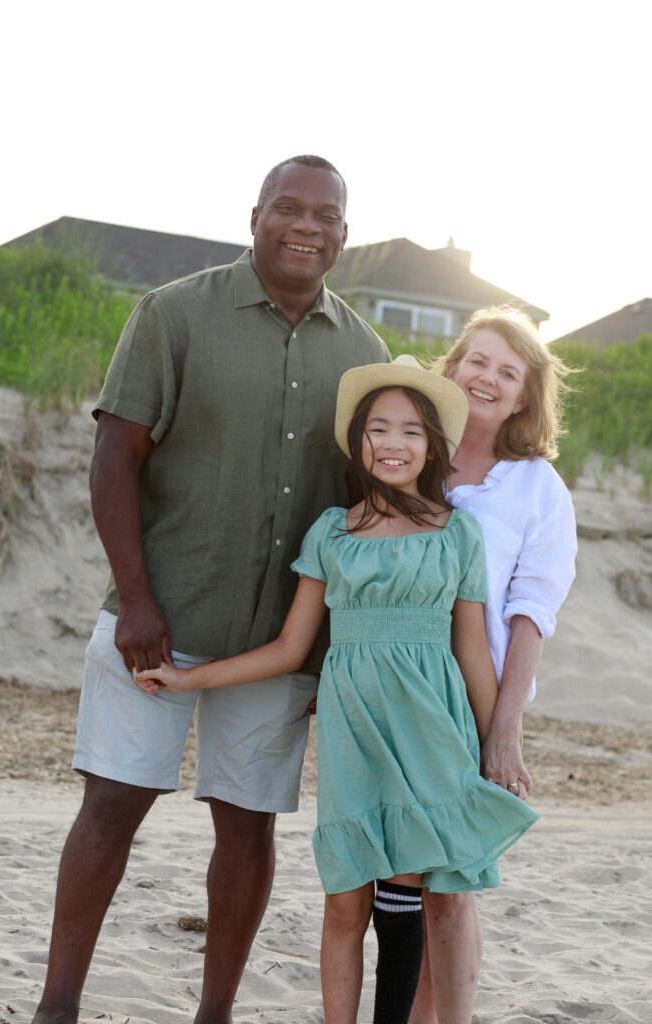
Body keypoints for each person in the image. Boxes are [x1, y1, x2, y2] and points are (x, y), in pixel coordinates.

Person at [31, 155, 391, 1024]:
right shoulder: (173, 312)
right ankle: (57, 1006)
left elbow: (360, 502)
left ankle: (215, 1014)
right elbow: (116, 454)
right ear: (256, 215)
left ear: (345, 232)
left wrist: (332, 645)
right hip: (159, 617)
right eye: (289, 209)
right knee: (112, 805)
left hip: (278, 639)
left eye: (326, 216)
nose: (307, 227)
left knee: (248, 824)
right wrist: (137, 599)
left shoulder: (364, 351)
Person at [135, 356, 539, 1024]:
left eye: (411, 431)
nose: (393, 443)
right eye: (377, 428)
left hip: (432, 731)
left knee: (411, 889)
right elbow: (289, 649)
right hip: (354, 732)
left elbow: (470, 650)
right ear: (356, 442)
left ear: (431, 446)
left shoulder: (456, 533)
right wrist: (188, 676)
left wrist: (499, 744)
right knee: (345, 899)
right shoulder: (331, 533)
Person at [408, 306, 577, 1024]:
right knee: (400, 877)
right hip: (393, 685)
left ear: (521, 397)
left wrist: (502, 729)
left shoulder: (536, 488)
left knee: (450, 882)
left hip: (472, 701)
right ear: (450, 367)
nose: (488, 378)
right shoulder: (402, 452)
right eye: (477, 360)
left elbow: (530, 613)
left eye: (507, 372)